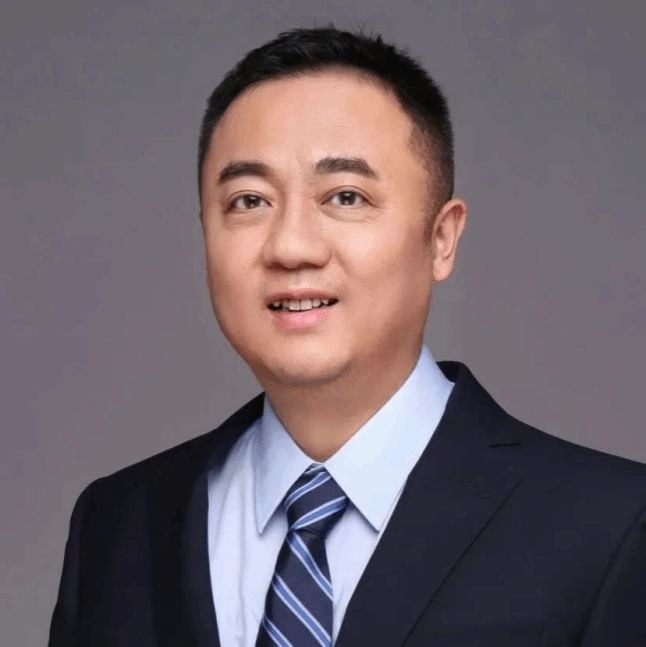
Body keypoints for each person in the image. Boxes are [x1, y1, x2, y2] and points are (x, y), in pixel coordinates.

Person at [49, 26, 646, 647]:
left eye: (345, 196)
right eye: (249, 201)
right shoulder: (117, 523)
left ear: (441, 239)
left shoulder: (615, 527)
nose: (290, 247)